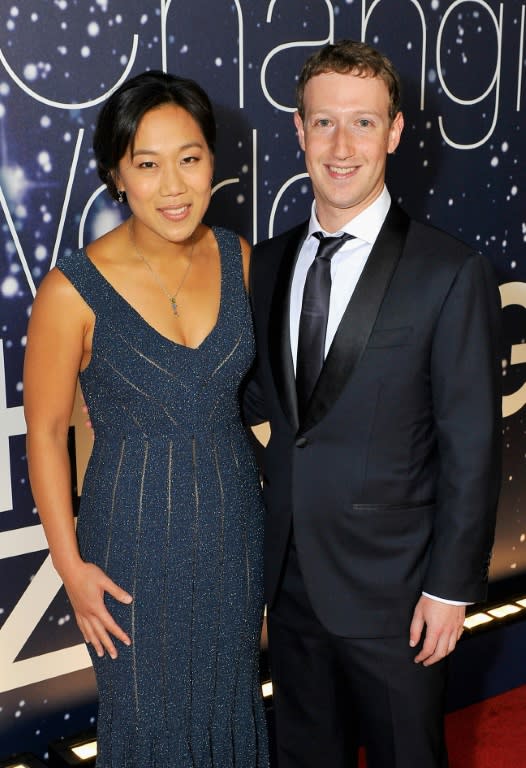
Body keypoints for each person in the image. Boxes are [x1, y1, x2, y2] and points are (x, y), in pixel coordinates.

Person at [244, 40, 502, 768]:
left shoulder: (449, 272)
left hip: (399, 597)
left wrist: (450, 590)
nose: (341, 145)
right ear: (298, 130)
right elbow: (269, 404)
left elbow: (471, 444)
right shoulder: (265, 263)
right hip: (291, 585)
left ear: (393, 132)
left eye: (363, 123)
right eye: (324, 123)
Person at [24, 71, 269, 768]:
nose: (173, 187)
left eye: (190, 160)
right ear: (116, 175)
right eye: (148, 164)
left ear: (212, 163)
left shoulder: (239, 259)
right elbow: (44, 432)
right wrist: (71, 568)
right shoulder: (71, 289)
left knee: (229, 705)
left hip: (230, 530)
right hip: (130, 542)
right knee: (147, 722)